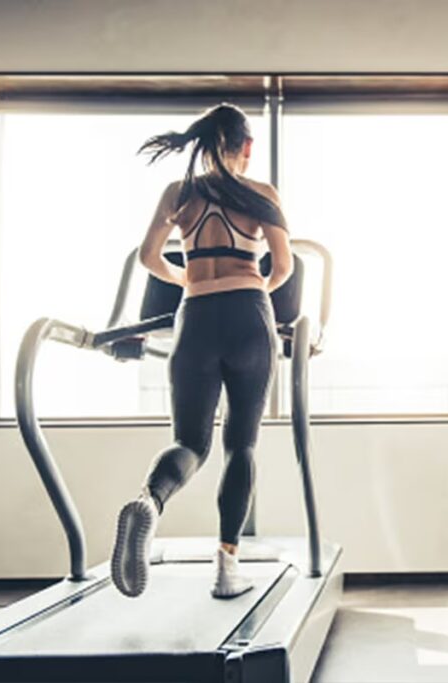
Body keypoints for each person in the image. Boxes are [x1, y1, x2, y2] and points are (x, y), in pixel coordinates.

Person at [110, 103, 293, 599]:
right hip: (249, 314)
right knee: (242, 444)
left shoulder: (179, 193)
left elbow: (150, 257)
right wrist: (258, 289)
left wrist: (186, 277)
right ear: (247, 148)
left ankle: (149, 502)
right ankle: (226, 567)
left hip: (195, 317)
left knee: (190, 443)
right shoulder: (260, 194)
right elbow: (283, 266)